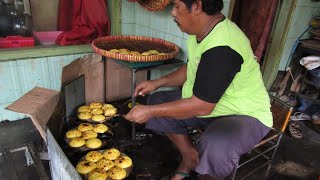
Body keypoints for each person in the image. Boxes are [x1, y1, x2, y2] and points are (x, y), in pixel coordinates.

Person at [123, 0, 273, 179]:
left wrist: (149, 112)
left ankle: (207, 176)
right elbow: (191, 68)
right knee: (157, 100)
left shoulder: (223, 47)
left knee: (216, 144)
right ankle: (189, 157)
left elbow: (202, 106)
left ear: (197, 6)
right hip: (211, 105)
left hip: (243, 114)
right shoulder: (200, 32)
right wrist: (158, 82)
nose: (173, 13)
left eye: (177, 6)